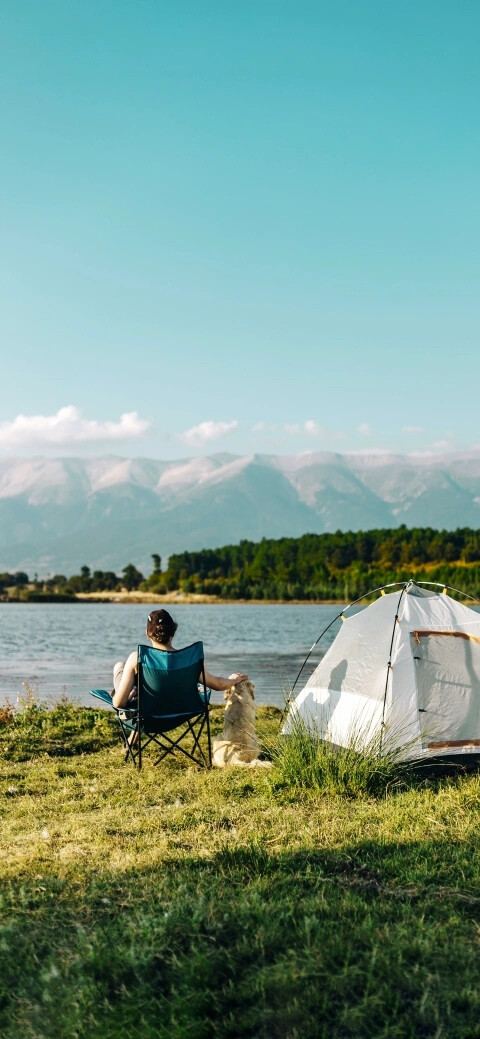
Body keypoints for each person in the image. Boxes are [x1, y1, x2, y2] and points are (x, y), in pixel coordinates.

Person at [112, 608, 248, 708]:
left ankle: (133, 691)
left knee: (120, 666)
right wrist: (233, 680)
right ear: (173, 632)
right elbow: (218, 684)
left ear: (147, 633)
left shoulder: (137, 657)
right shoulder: (190, 659)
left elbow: (119, 703)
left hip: (147, 715)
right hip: (181, 713)